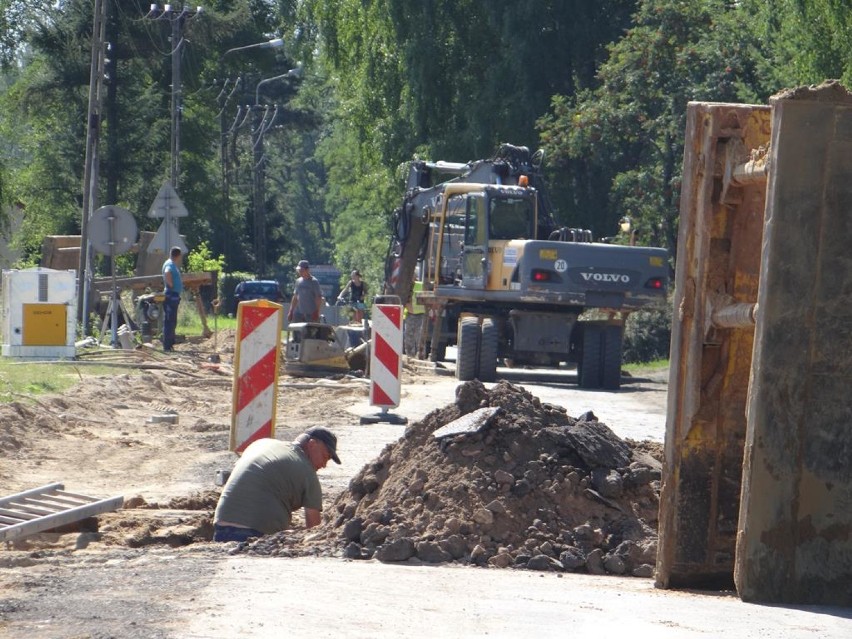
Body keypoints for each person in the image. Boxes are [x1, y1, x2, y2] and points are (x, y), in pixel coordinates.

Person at [213, 427, 341, 542]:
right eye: (325, 456)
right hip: (253, 534)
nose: (324, 465)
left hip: (220, 527)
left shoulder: (262, 443)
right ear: (312, 444)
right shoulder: (308, 474)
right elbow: (314, 531)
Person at [287, 259, 324, 324]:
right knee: (297, 332)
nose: (300, 272)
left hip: (310, 314)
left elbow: (318, 297)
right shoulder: (298, 281)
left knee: (310, 333)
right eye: (299, 270)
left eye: (302, 270)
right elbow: (295, 297)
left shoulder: (314, 282)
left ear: (307, 270)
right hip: (298, 313)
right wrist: (291, 311)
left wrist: (316, 312)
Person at [161, 246, 183, 352]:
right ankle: (167, 346)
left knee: (172, 320)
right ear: (178, 255)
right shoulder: (170, 265)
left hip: (173, 294)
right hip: (171, 294)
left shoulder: (170, 263)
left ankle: (169, 344)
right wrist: (171, 285)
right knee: (170, 320)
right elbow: (167, 272)